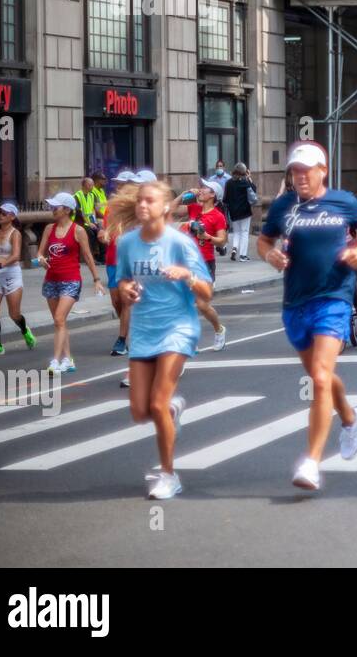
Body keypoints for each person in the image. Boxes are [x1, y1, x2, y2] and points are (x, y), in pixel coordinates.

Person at [259, 141, 357, 490]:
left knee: (321, 377)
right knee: (319, 374)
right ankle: (352, 419)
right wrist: (270, 257)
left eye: (306, 171)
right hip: (296, 302)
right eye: (294, 172)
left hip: (334, 297)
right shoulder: (284, 205)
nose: (299, 178)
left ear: (322, 170)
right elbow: (264, 241)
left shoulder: (343, 201)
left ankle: (311, 461)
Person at [114, 179, 215, 500]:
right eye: (140, 201)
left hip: (178, 327)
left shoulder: (180, 244)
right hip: (143, 330)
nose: (143, 206)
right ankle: (170, 411)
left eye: (149, 201)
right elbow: (123, 281)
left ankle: (169, 475)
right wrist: (127, 289)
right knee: (140, 412)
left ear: (164, 207)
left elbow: (207, 291)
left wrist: (187, 275)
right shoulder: (127, 243)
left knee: (156, 403)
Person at [38, 192, 106, 374]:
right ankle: (68, 360)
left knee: (59, 319)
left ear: (67, 210)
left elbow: (87, 255)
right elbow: (39, 253)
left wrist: (97, 279)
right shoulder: (48, 229)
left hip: (71, 280)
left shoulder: (78, 230)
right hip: (51, 280)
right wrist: (41, 259)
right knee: (59, 322)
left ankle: (55, 361)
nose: (52, 209)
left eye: (56, 206)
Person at [178, 179, 229, 351]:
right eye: (200, 187)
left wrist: (208, 237)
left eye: (204, 188)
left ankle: (219, 329)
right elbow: (169, 211)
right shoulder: (193, 207)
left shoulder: (218, 216)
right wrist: (182, 195)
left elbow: (223, 241)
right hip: (186, 262)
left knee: (202, 305)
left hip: (205, 263)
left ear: (213, 194)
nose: (200, 190)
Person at [0, 203, 35, 357]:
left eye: (4, 213)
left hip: (12, 275)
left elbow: (16, 256)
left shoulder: (15, 234)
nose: (0, 216)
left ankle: (25, 331)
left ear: (12, 216)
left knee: (14, 314)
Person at [100, 172, 140, 358]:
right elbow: (105, 229)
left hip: (130, 260)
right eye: (117, 183)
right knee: (116, 301)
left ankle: (122, 339)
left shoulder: (137, 208)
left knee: (126, 301)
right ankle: (128, 329)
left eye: (122, 183)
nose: (118, 187)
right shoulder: (111, 208)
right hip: (112, 258)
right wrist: (103, 234)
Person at [223, 163, 258, 261]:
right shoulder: (245, 182)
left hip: (233, 212)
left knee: (237, 232)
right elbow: (253, 190)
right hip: (245, 211)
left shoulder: (228, 183)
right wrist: (249, 178)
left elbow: (225, 199)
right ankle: (243, 255)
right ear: (244, 172)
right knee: (244, 232)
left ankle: (234, 248)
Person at [73, 176, 104, 260]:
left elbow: (93, 210)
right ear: (83, 185)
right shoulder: (77, 196)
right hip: (80, 222)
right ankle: (91, 257)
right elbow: (80, 213)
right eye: (90, 185)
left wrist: (94, 222)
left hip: (89, 221)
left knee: (100, 232)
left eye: (92, 185)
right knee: (90, 233)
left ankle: (102, 257)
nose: (92, 187)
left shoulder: (92, 195)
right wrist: (89, 224)